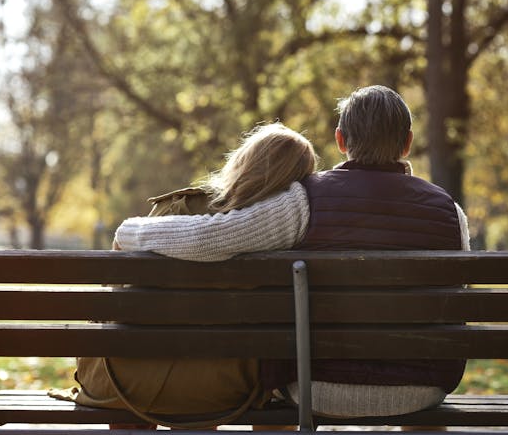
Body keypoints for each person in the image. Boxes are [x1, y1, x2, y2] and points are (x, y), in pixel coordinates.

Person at [115, 85, 470, 419]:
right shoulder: (449, 213)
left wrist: (131, 230)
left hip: (314, 385)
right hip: (424, 388)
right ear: (407, 143)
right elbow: (456, 304)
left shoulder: (305, 200)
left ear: (341, 140)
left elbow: (208, 239)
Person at [58, 123, 317, 430]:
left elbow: (116, 299)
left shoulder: (175, 210)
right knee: (220, 377)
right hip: (231, 390)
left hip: (124, 384)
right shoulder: (289, 232)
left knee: (146, 377)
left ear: (243, 160)